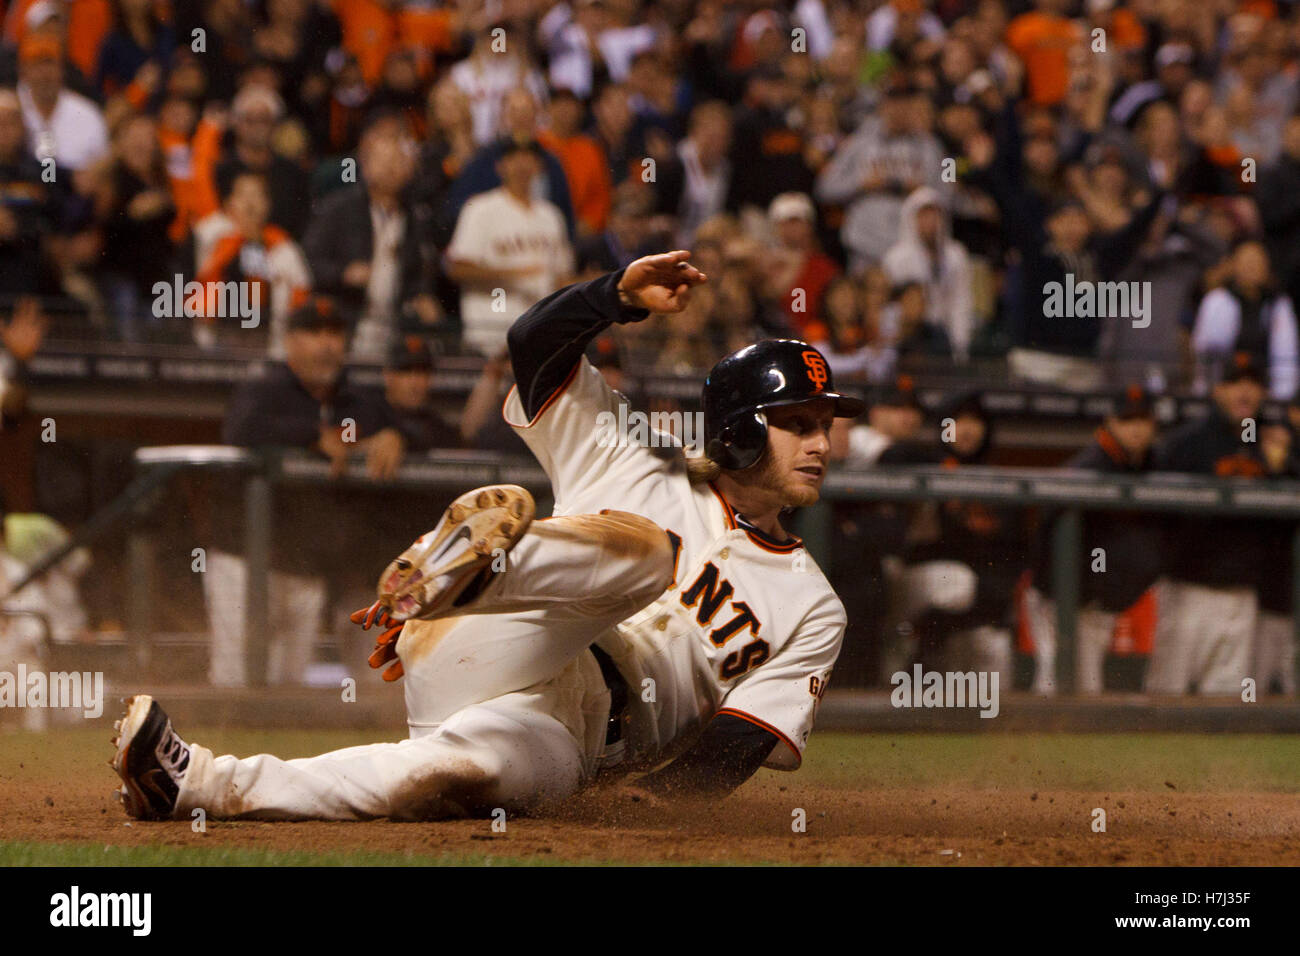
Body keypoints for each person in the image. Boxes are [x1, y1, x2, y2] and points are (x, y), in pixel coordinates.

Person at [110, 251, 864, 821]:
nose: (821, 443)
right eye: (798, 424)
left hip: (566, 736)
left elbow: (736, 743)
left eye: (825, 425)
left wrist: (643, 812)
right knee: (649, 553)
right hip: (504, 632)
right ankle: (471, 572)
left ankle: (193, 784)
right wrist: (614, 297)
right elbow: (532, 346)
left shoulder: (814, 606)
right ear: (735, 431)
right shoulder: (637, 458)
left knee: (441, 775)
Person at [199, 297, 405, 687]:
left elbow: (397, 426)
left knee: (290, 686)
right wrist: (312, 436)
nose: (326, 344)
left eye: (335, 334)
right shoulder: (265, 387)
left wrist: (395, 435)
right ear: (290, 341)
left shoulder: (357, 399)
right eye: (314, 334)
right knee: (238, 679)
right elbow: (240, 428)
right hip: (245, 560)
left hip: (308, 565)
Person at [1025, 385, 1164, 694]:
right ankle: (1028, 739)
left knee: (1085, 688)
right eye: (1128, 420)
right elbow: (1046, 539)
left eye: (1143, 420)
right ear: (1110, 422)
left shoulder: (1151, 465)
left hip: (1096, 602)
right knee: (1058, 684)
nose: (1137, 428)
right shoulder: (1087, 467)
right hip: (1059, 598)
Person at [1147, 353, 1270, 695]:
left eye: (1253, 384)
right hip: (1189, 588)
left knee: (1227, 705)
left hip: (1242, 593)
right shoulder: (1187, 442)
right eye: (1234, 383)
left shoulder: (1269, 445)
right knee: (1166, 696)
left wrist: (1283, 464)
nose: (1244, 393)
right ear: (1217, 389)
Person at [445, 137, 574, 356]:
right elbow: (457, 268)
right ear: (500, 166)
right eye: (514, 158)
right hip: (489, 339)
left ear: (539, 166)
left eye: (529, 158)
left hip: (540, 340)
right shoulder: (480, 209)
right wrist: (515, 274)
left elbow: (561, 278)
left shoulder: (551, 216)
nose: (522, 165)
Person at [382, 335, 461, 455]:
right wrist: (373, 443)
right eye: (406, 371)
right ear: (388, 376)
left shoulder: (439, 428)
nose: (415, 382)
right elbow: (347, 440)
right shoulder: (369, 413)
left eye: (422, 372)